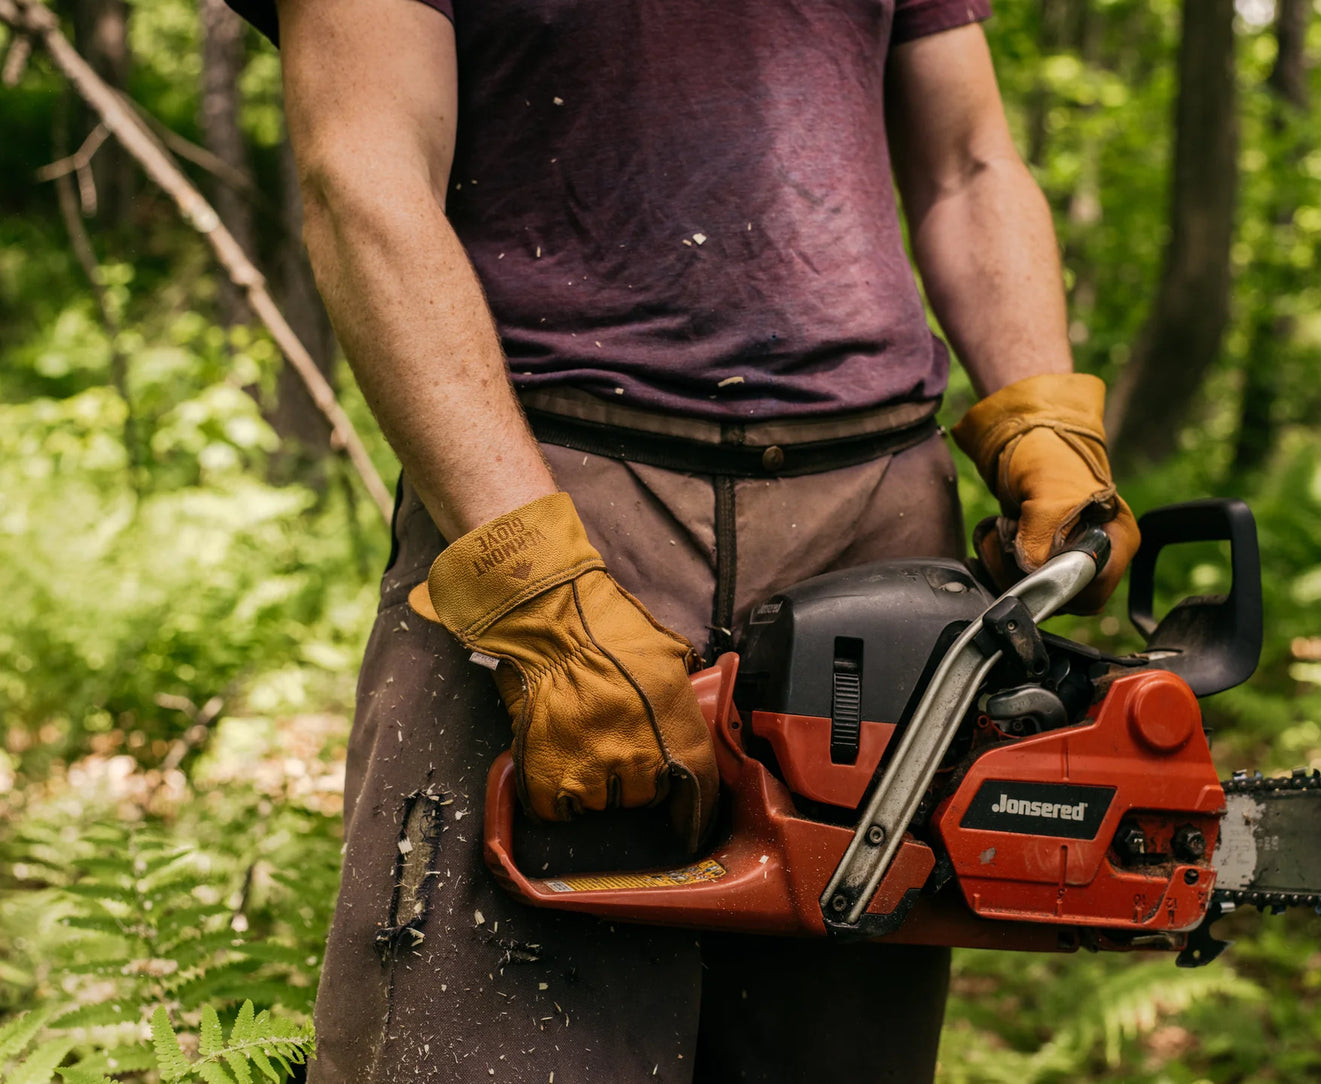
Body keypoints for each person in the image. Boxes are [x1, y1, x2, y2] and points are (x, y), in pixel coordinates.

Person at [227, 0, 1140, 1079]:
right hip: (545, 475)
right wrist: (534, 586)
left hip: (876, 526)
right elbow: (364, 171)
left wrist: (1041, 410)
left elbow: (970, 161)